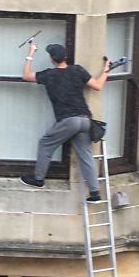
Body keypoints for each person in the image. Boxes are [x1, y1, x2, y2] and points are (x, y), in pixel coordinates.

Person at [21, 41, 110, 202]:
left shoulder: (49, 75)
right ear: (66, 57)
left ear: (52, 59)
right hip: (86, 120)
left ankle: (38, 179)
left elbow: (26, 76)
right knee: (86, 155)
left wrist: (31, 54)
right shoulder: (77, 70)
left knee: (45, 143)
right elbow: (97, 85)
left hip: (68, 120)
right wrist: (105, 71)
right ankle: (95, 193)